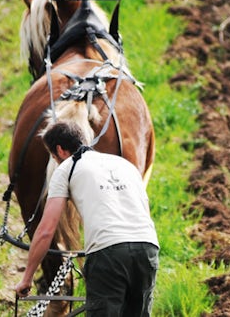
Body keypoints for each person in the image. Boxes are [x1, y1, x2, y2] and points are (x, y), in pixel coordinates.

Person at [15, 120, 160, 316]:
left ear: (60, 150)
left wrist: (27, 277)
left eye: (53, 155)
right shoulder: (125, 165)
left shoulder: (67, 168)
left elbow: (46, 230)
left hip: (108, 253)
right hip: (147, 247)